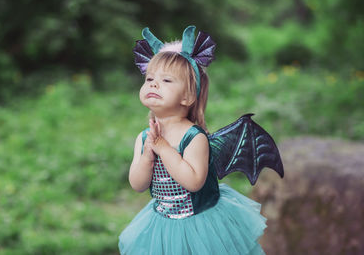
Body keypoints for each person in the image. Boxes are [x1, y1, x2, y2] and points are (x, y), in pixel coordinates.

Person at [118, 25, 281, 255]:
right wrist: (147, 155)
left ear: (187, 96)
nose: (153, 83)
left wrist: (163, 149)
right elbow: (137, 184)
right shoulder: (145, 137)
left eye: (166, 80)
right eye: (149, 78)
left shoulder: (195, 137)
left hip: (201, 226)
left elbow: (193, 181)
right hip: (161, 226)